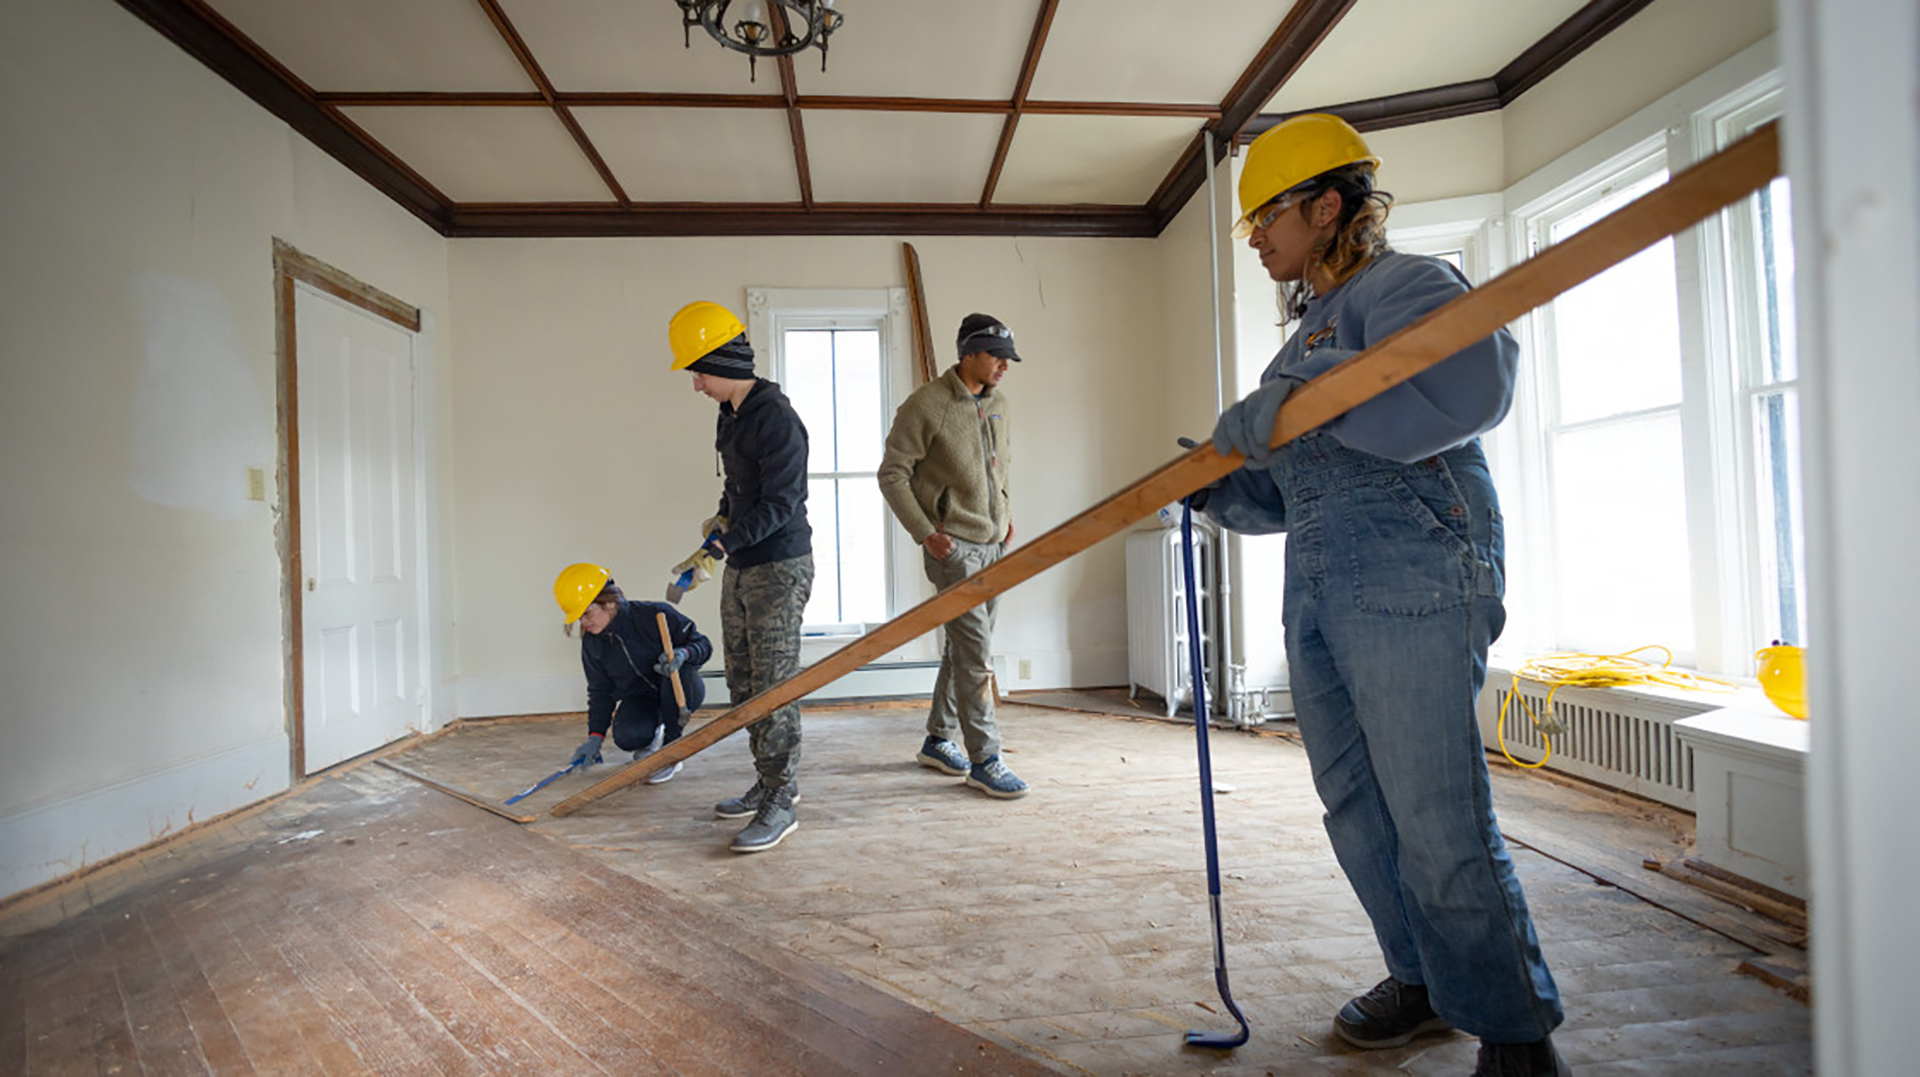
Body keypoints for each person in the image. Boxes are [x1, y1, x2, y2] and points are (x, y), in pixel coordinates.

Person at [1197, 114, 1569, 1076]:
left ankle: (1516, 1033)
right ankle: (1422, 980)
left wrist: (1300, 392)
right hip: (1321, 582)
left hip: (1412, 567)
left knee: (1437, 810)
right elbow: (1290, 490)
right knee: (1355, 804)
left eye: (1266, 218)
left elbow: (1474, 377)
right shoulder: (1300, 338)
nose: (1256, 240)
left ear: (1327, 206)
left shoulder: (1406, 284)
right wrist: (1216, 483)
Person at [667, 300, 814, 854]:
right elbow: (739, 492)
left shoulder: (776, 418)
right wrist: (715, 535)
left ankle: (781, 800)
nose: (697, 385)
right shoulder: (731, 414)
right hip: (744, 563)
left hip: (779, 566)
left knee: (774, 688)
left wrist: (725, 542)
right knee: (746, 683)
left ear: (723, 362)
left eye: (698, 372)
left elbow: (782, 502)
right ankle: (771, 779)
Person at [877, 313, 1028, 799]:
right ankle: (985, 758)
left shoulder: (999, 402)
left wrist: (1005, 515)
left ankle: (939, 738)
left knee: (964, 649)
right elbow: (892, 474)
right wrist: (925, 533)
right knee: (976, 655)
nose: (1004, 366)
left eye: (1007, 358)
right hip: (954, 548)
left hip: (993, 545)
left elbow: (998, 468)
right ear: (968, 354)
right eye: (995, 356)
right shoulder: (927, 405)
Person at [552, 563, 712, 784]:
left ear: (609, 602)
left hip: (682, 688)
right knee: (628, 737)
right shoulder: (593, 643)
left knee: (680, 671)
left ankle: (672, 749)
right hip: (642, 698)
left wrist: (684, 654)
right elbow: (600, 691)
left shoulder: (656, 615)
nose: (584, 622)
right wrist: (595, 738)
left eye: (587, 613)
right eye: (579, 617)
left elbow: (703, 645)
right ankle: (655, 728)